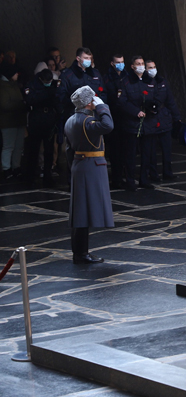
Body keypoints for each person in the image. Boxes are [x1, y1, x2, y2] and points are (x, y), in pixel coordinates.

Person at [64, 86, 113, 264]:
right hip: (90, 166)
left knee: (80, 211)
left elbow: (68, 149)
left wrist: (73, 167)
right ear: (89, 103)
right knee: (82, 213)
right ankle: (81, 253)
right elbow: (108, 126)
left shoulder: (70, 120)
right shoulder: (87, 121)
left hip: (79, 164)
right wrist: (102, 107)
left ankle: (80, 252)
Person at [140, 60, 183, 181]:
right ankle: (153, 174)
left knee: (167, 148)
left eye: (154, 67)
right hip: (150, 118)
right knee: (151, 149)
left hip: (164, 117)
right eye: (149, 67)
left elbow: (170, 101)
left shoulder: (162, 82)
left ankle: (168, 172)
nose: (152, 69)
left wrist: (176, 117)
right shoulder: (142, 83)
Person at [117, 55, 154, 190]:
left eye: (142, 63)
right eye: (138, 64)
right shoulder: (125, 82)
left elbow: (156, 96)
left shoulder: (149, 80)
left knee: (146, 153)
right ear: (132, 66)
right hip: (131, 123)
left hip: (147, 123)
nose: (141, 66)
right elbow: (122, 102)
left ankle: (144, 179)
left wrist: (153, 108)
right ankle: (130, 181)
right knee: (130, 154)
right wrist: (135, 112)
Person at [21, 68, 59, 184]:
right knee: (33, 149)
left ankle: (48, 175)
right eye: (46, 81)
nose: (48, 83)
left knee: (49, 149)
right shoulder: (32, 85)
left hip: (49, 118)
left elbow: (58, 99)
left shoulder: (53, 85)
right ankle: (30, 175)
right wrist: (46, 94)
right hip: (37, 118)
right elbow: (30, 99)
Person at [57, 47, 106, 120]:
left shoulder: (95, 73)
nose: (88, 60)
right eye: (86, 58)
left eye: (90, 58)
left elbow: (103, 92)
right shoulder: (67, 75)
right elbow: (61, 96)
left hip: (94, 114)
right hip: (75, 115)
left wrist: (98, 106)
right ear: (78, 58)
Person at [104, 54, 127, 188]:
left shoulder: (126, 76)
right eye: (118, 62)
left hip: (126, 117)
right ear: (112, 63)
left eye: (122, 62)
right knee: (115, 150)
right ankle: (116, 178)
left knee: (126, 150)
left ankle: (125, 175)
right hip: (114, 116)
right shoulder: (107, 78)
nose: (120, 64)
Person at [0, 63, 26, 180]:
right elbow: (4, 104)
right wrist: (21, 105)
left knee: (18, 146)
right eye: (16, 73)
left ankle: (16, 166)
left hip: (18, 120)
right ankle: (6, 168)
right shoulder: (3, 86)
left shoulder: (14, 85)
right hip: (8, 122)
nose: (17, 75)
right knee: (8, 146)